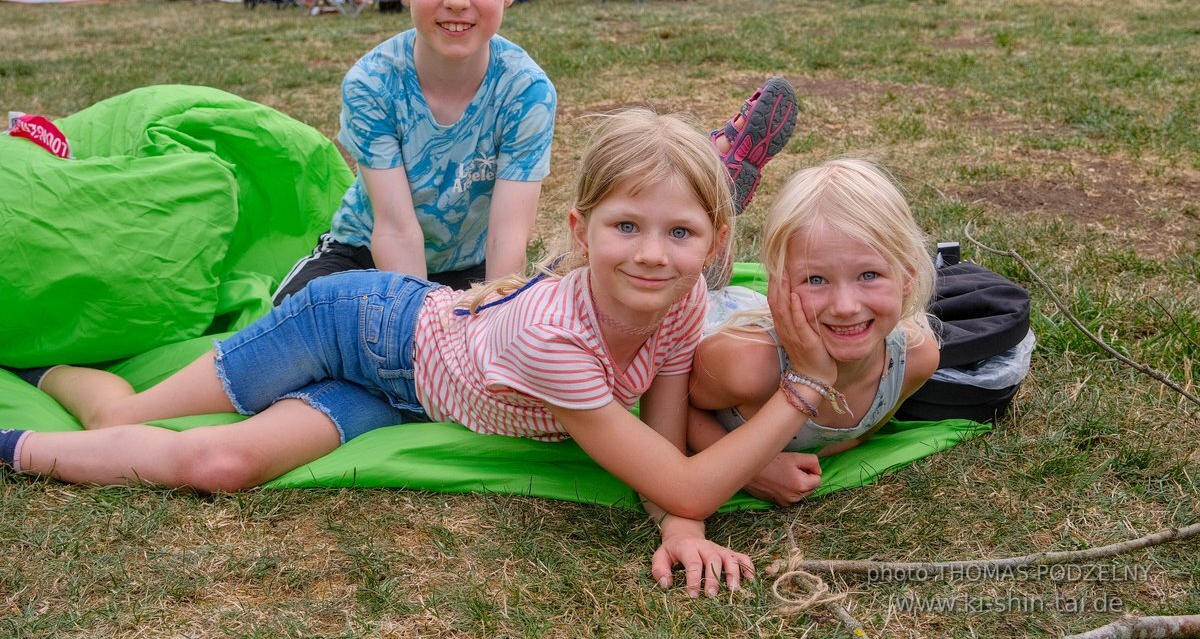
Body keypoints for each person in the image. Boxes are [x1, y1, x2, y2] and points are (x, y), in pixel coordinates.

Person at [0, 108, 856, 598]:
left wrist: (689, 519)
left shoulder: (683, 302)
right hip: (357, 325)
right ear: (579, 230)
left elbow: (666, 443)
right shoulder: (555, 335)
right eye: (625, 226)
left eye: (680, 233)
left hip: (405, 394)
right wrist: (794, 402)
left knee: (220, 464)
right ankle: (38, 380)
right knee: (126, 416)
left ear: (712, 245)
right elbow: (676, 476)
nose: (650, 254)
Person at [274, 0, 556, 303]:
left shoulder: (526, 92)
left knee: (509, 328)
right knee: (292, 317)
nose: (457, 0)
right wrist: (423, 326)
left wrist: (495, 315)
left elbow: (508, 235)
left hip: (471, 266)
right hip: (365, 252)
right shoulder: (372, 85)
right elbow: (394, 227)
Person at [689, 159, 942, 506]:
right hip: (706, 323)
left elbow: (855, 436)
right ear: (780, 287)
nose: (845, 306)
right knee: (689, 294)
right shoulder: (747, 363)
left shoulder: (915, 360)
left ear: (907, 277)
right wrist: (751, 470)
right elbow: (672, 404)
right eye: (816, 279)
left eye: (869, 275)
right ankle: (705, 240)